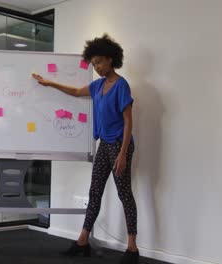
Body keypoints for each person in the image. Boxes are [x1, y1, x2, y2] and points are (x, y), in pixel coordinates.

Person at [33, 34, 139, 264]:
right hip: (104, 144)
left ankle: (132, 247)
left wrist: (122, 155)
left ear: (111, 59)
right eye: (94, 64)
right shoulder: (97, 85)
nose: (97, 67)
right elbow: (75, 92)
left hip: (120, 145)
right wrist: (49, 83)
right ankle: (82, 241)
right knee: (95, 192)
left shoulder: (121, 85)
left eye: (99, 62)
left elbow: (129, 121)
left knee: (124, 194)